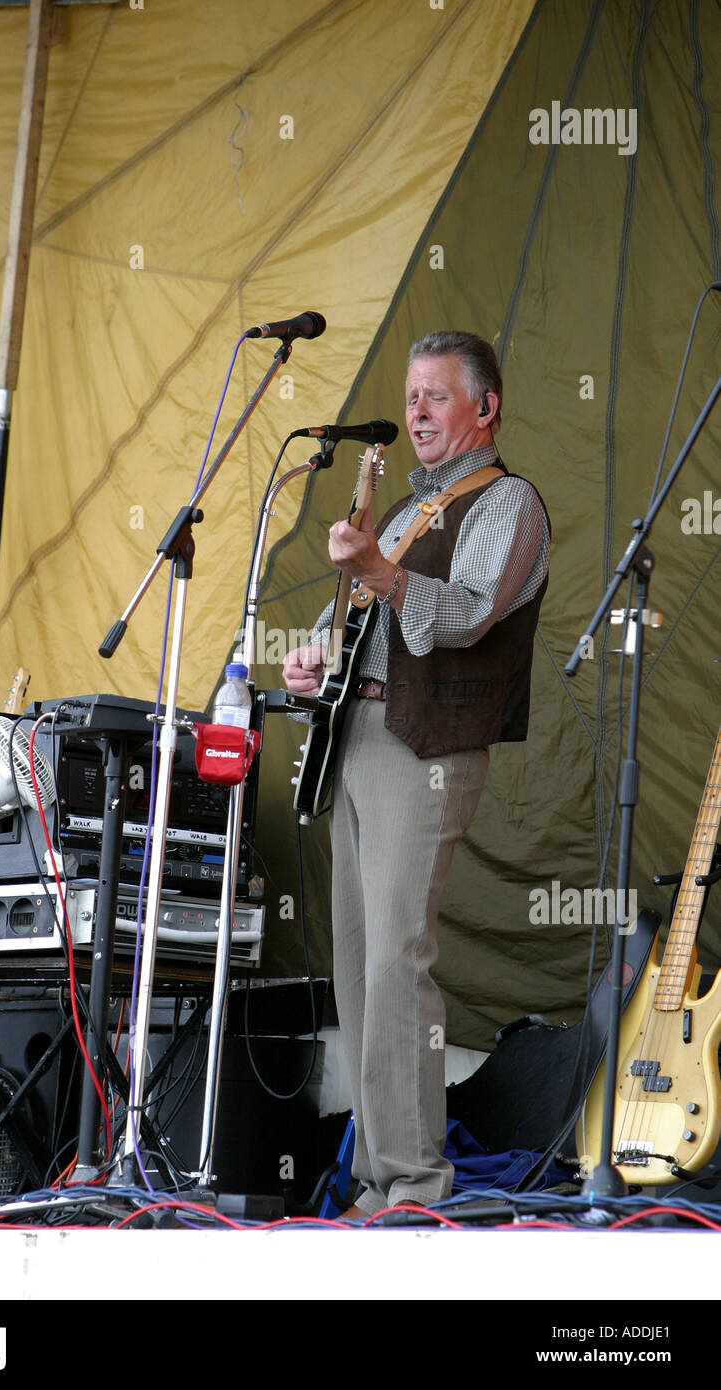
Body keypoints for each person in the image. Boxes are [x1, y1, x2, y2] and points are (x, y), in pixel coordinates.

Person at [283, 330, 550, 1218]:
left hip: (424, 750)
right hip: (357, 734)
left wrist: (381, 573)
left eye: (438, 396)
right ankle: (375, 1177)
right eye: (413, 396)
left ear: (486, 408)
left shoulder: (509, 503)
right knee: (360, 966)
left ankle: (413, 1185)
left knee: (399, 959)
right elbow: (376, 626)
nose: (418, 412)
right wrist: (319, 663)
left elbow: (467, 618)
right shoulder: (402, 512)